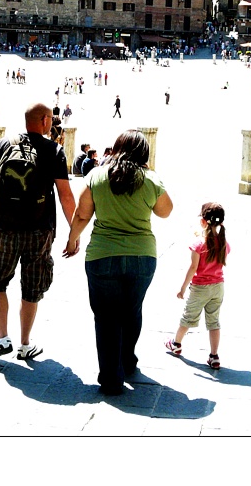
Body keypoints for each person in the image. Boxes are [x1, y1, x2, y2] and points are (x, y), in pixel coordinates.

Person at [63, 129, 173, 394]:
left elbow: (81, 215)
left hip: (103, 255)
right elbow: (165, 212)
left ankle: (111, 377)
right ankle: (128, 360)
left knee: (106, 317)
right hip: (142, 256)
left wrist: (72, 240)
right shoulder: (150, 179)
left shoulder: (96, 176)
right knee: (132, 310)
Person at [0, 103, 77, 362]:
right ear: (45, 120)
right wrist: (74, 232)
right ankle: (24, 344)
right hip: (39, 231)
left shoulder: (2, 145)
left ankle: (2, 338)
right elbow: (66, 195)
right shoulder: (53, 150)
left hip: (5, 229)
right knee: (32, 287)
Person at [165, 202, 230, 369]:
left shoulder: (198, 244)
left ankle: (176, 343)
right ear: (221, 223)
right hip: (218, 286)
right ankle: (214, 356)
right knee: (214, 321)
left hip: (200, 287)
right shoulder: (223, 243)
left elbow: (193, 267)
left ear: (203, 221)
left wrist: (182, 289)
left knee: (188, 317)